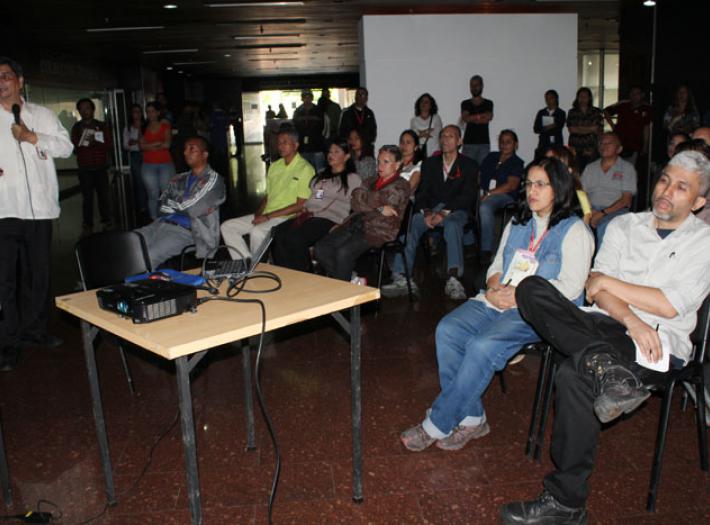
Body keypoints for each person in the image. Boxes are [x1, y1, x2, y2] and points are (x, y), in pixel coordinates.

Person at [500, 150, 710, 525]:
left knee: (572, 373)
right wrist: (630, 317)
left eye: (682, 188)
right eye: (664, 180)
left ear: (698, 201)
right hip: (608, 324)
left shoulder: (704, 242)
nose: (666, 191)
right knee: (531, 288)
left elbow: (665, 305)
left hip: (657, 344)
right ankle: (608, 369)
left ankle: (567, 504)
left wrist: (614, 291)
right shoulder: (624, 225)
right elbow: (593, 289)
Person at [400, 158, 593, 452]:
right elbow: (497, 265)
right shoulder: (519, 221)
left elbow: (571, 289)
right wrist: (493, 288)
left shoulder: (574, 230)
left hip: (539, 313)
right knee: (448, 329)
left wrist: (519, 296)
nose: (532, 190)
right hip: (498, 299)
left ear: (560, 189)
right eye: (529, 183)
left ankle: (437, 423)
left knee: (481, 345)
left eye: (541, 184)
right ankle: (473, 416)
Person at [0, 57, 73, 370]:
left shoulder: (41, 115)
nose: (1, 82)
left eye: (4, 76)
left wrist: (33, 137)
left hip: (39, 209)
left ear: (20, 80)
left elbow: (66, 147)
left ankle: (35, 329)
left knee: (39, 272)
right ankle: (8, 341)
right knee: (5, 279)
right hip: (5, 208)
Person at [382, 125, 478, 300]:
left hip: (456, 210)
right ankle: (401, 277)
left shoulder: (469, 165)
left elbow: (468, 196)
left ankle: (453, 278)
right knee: (411, 224)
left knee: (452, 225)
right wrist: (426, 212)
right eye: (443, 136)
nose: (445, 140)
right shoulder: (430, 163)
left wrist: (444, 212)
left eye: (451, 136)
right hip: (431, 210)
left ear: (459, 141)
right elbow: (422, 193)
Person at [314, 145, 410, 281]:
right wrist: (379, 208)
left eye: (386, 162)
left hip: (379, 229)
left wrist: (365, 200)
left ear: (398, 164)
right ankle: (350, 280)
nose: (380, 166)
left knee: (343, 253)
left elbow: (366, 201)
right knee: (320, 249)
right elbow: (354, 200)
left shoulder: (401, 185)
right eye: (379, 161)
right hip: (355, 223)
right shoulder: (369, 180)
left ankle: (345, 294)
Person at [221, 128, 314, 259]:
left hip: (286, 217)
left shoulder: (305, 169)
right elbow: (269, 195)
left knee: (257, 232)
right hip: (268, 214)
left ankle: (255, 265)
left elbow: (300, 205)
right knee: (228, 226)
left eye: (285, 142)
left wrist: (268, 217)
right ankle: (245, 262)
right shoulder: (275, 166)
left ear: (296, 145)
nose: (280, 146)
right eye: (279, 143)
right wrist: (259, 212)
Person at [135, 136, 225, 269]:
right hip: (160, 224)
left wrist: (172, 204)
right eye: (185, 149)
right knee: (129, 243)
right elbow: (160, 206)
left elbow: (193, 209)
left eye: (191, 149)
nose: (185, 152)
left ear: (204, 154)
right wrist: (181, 205)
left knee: (148, 256)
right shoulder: (178, 178)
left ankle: (146, 288)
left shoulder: (214, 180)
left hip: (188, 231)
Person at [271, 140, 361, 272]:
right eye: (330, 151)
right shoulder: (322, 175)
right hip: (310, 215)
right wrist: (305, 209)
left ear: (347, 156)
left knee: (295, 238)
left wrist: (346, 224)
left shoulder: (352, 178)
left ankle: (305, 276)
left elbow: (357, 204)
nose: (331, 155)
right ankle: (286, 274)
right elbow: (317, 198)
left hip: (331, 219)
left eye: (336, 151)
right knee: (277, 232)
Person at [581, 131, 637, 246]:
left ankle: (601, 263)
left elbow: (626, 200)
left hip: (615, 210)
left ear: (619, 149)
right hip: (591, 209)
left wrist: (602, 213)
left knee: (607, 226)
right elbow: (582, 194)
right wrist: (589, 212)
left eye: (608, 143)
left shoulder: (627, 168)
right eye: (601, 143)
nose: (603, 146)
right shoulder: (590, 168)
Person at [477, 130, 525, 262]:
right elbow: (479, 175)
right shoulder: (491, 156)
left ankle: (486, 250)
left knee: (485, 206)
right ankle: (469, 243)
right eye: (502, 142)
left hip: (505, 196)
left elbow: (511, 185)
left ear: (516, 144)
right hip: (484, 192)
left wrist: (489, 193)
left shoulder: (517, 162)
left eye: (508, 142)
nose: (504, 145)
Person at [71, 98, 113, 236]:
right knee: (87, 198)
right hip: (85, 168)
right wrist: (85, 142)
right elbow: (74, 150)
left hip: (100, 167)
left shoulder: (101, 125)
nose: (85, 111)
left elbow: (108, 145)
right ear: (79, 111)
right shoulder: (76, 128)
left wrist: (95, 142)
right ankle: (87, 224)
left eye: (87, 108)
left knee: (104, 197)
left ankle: (106, 221)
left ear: (93, 110)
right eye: (82, 109)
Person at [140, 100, 175, 220]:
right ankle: (154, 220)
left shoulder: (165, 124)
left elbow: (167, 144)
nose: (150, 114)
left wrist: (149, 146)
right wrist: (156, 143)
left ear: (158, 112)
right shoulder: (144, 126)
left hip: (165, 163)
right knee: (152, 194)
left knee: (166, 193)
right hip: (148, 164)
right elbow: (141, 146)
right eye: (148, 112)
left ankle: (167, 219)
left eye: (152, 111)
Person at [603, 86, 652, 166]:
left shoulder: (646, 108)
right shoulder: (623, 105)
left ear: (642, 95)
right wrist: (612, 125)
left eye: (637, 94)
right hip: (619, 141)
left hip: (634, 144)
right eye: (632, 94)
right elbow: (606, 111)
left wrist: (645, 145)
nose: (634, 96)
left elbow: (646, 127)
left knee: (630, 168)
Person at [544, 145, 592, 225]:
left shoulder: (580, 196)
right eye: (546, 161)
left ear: (569, 170)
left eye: (555, 163)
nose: (548, 167)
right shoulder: (539, 191)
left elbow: (586, 222)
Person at [567, 87, 603, 173]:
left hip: (592, 147)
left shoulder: (596, 111)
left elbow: (597, 128)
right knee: (577, 172)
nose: (582, 99)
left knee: (592, 172)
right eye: (580, 97)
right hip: (576, 148)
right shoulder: (572, 112)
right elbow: (572, 129)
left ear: (589, 98)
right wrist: (590, 129)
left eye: (585, 97)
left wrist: (579, 128)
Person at [123, 103, 148, 224]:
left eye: (139, 111)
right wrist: (136, 143)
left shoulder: (147, 126)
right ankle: (142, 207)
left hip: (148, 155)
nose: (137, 114)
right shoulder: (128, 128)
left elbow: (148, 142)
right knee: (139, 182)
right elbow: (126, 145)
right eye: (134, 112)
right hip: (135, 156)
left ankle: (151, 205)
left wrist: (136, 141)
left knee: (150, 181)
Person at [460, 75, 494, 165]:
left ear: (482, 86)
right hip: (468, 143)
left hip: (484, 143)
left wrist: (473, 118)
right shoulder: (465, 103)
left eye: (476, 85)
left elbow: (488, 118)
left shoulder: (488, 103)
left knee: (482, 171)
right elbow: (466, 118)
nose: (474, 87)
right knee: (467, 171)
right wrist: (481, 117)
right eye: (472, 85)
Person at [293, 89, 325, 172]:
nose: (307, 99)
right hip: (303, 148)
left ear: (312, 98)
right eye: (305, 97)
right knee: (304, 171)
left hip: (317, 147)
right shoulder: (297, 112)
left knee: (319, 171)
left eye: (309, 97)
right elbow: (295, 129)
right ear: (302, 98)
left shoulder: (319, 111)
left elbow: (323, 128)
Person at [533, 89, 566, 159]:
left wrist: (550, 126)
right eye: (546, 99)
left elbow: (559, 126)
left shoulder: (561, 113)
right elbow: (536, 129)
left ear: (556, 99)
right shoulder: (541, 112)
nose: (548, 101)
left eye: (551, 98)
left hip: (557, 143)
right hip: (543, 144)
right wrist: (549, 126)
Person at [411, 93, 442, 158]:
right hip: (420, 152)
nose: (424, 103)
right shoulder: (414, 120)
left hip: (434, 151)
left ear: (431, 105)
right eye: (422, 101)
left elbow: (437, 133)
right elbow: (414, 135)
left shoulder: (436, 118)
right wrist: (429, 130)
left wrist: (421, 133)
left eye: (426, 102)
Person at [398, 129, 424, 194]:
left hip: (406, 199)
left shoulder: (419, 165)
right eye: (402, 142)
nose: (404, 145)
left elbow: (409, 188)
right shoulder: (395, 162)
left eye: (408, 142)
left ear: (416, 147)